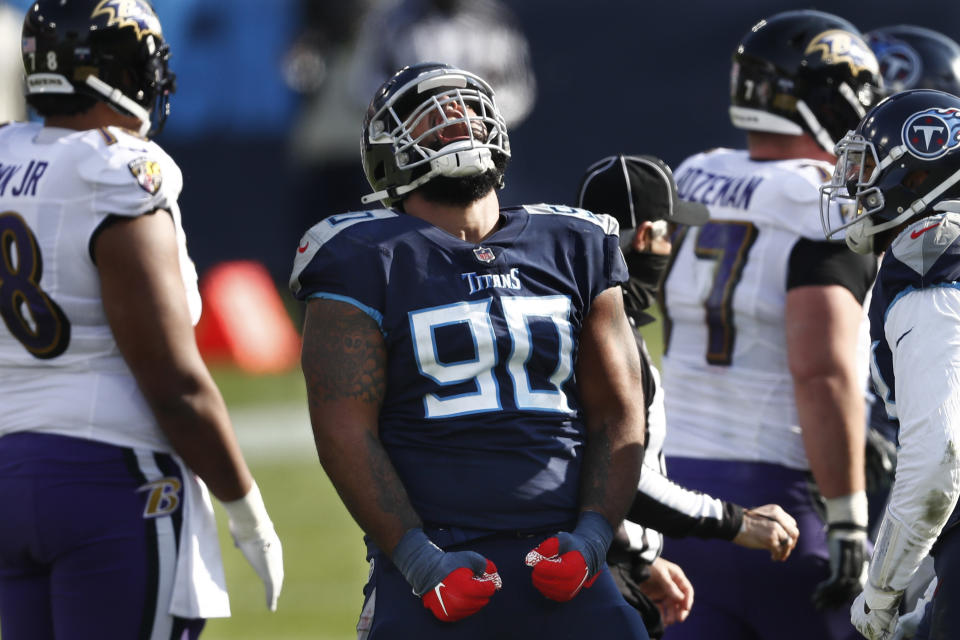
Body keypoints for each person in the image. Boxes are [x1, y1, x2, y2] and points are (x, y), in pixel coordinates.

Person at [290, 62, 648, 639]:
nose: (455, 118)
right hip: (437, 564)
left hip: (567, 559)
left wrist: (593, 539)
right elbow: (343, 428)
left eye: (464, 105)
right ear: (387, 156)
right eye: (429, 113)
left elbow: (620, 411)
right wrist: (418, 561)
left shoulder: (576, 243)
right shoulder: (360, 255)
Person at [0, 1, 283, 638]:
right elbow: (173, 383)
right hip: (110, 478)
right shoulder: (116, 170)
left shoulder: (4, 154)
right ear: (118, 70)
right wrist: (245, 508)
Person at [657, 10, 882, 640]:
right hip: (784, 497)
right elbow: (823, 370)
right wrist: (847, 518)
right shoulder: (829, 199)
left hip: (677, 497)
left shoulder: (694, 174)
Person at [576, 154, 801, 638]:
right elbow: (621, 476)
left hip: (592, 566)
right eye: (668, 232)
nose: (671, 245)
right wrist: (736, 522)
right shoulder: (602, 336)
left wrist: (641, 560)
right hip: (589, 581)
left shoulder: (581, 314)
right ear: (644, 236)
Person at [820, 87, 960, 640]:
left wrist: (881, 588)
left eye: (864, 168)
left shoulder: (933, 252)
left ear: (919, 171)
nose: (852, 187)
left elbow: (940, 460)